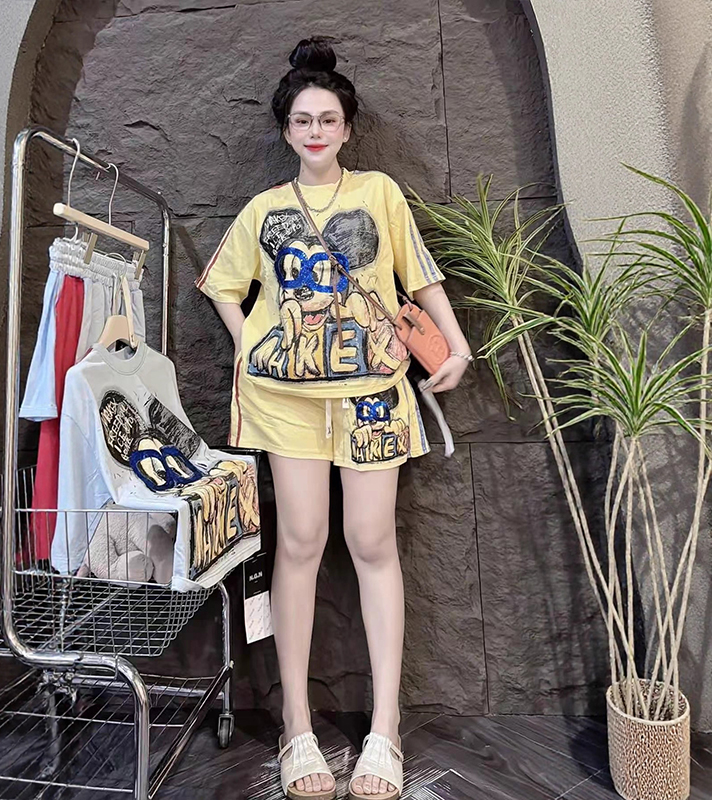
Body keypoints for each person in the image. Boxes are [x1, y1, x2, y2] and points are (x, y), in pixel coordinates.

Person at [195, 36, 471, 800]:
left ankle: (385, 728)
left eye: (327, 119)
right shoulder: (264, 211)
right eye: (302, 120)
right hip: (286, 404)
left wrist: (456, 345)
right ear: (286, 130)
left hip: (371, 394)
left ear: (347, 128)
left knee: (373, 541)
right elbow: (222, 285)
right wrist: (252, 345)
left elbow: (420, 276)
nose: (315, 131)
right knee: (300, 541)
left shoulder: (379, 194)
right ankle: (296, 726)